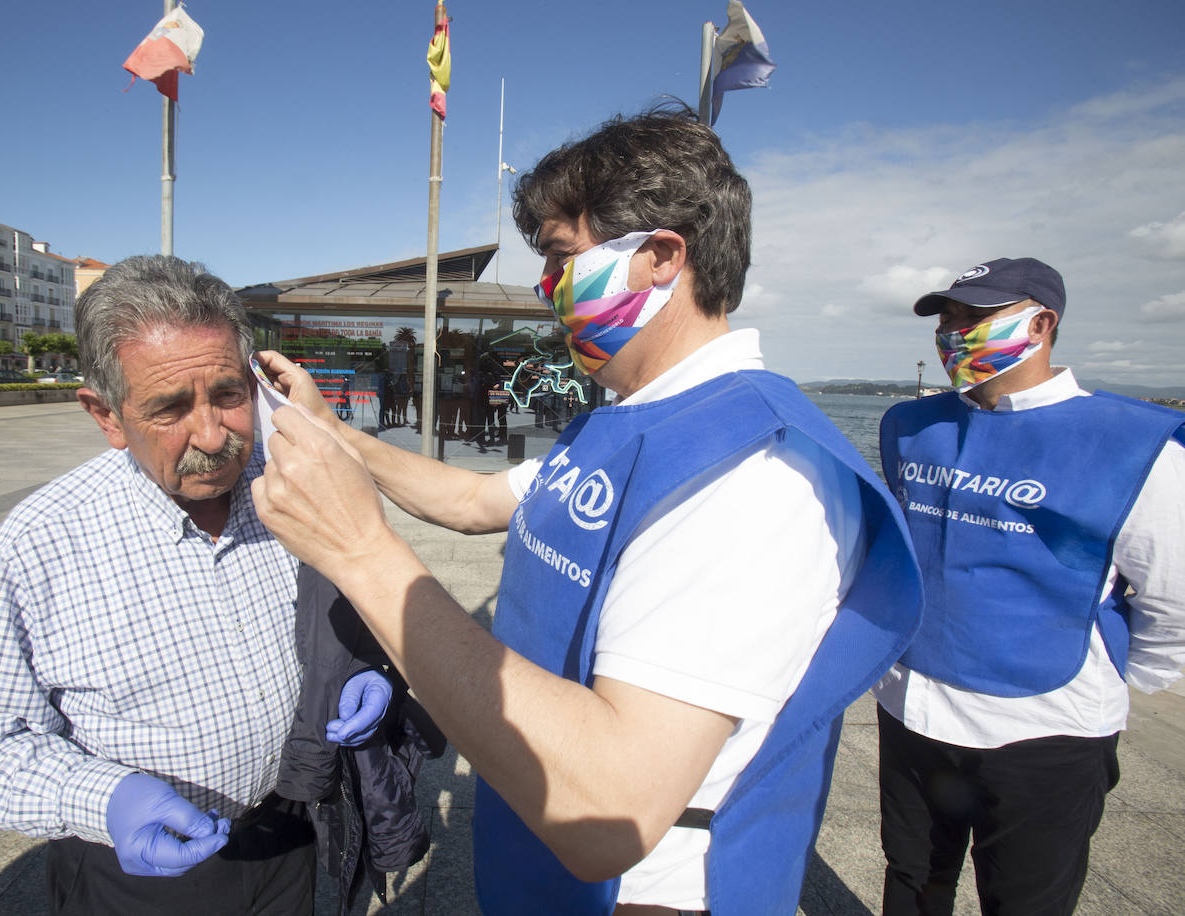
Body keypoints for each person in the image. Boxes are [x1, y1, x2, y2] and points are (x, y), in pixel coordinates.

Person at [248, 105, 923, 915]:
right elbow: (470, 500)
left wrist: (361, 552)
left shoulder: (752, 473)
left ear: (662, 257)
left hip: (648, 888)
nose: (547, 289)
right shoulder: (625, 417)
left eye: (563, 259)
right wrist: (333, 431)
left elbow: (613, 803)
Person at [0, 255, 393, 914]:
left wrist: (365, 669)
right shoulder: (41, 544)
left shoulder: (293, 485)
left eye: (229, 395)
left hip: (290, 838)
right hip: (137, 882)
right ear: (106, 416)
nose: (214, 435)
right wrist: (103, 799)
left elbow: (348, 608)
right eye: (171, 407)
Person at [875, 257, 1185, 915]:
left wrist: (1129, 675)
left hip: (1045, 731)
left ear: (1042, 323)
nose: (954, 332)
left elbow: (1172, 593)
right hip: (913, 709)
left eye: (976, 317)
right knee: (911, 881)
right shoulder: (912, 426)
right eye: (948, 318)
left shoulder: (1134, 445)